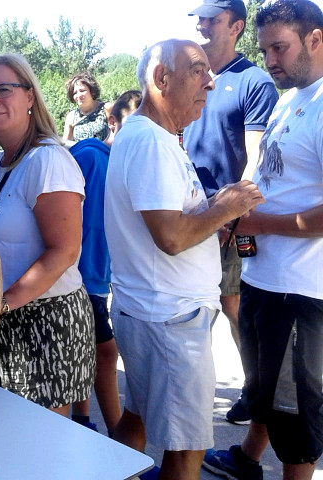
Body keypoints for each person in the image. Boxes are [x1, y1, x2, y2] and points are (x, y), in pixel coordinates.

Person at [104, 39, 264, 480]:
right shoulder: (152, 142)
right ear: (161, 79)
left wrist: (214, 208)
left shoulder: (147, 136)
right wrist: (226, 207)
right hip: (170, 319)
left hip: (154, 312)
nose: (210, 81)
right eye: (197, 70)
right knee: (187, 449)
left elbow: (171, 220)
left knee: (135, 419)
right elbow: (171, 237)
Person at [202, 2, 323, 479]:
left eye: (281, 47)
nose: (271, 60)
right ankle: (248, 458)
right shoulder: (293, 98)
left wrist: (261, 224)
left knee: (295, 405)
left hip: (302, 286)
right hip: (262, 273)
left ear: (315, 39)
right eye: (266, 49)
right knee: (263, 387)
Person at [0, 53, 95, 417]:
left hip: (46, 323)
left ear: (30, 97)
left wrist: (3, 303)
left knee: (40, 456)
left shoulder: (47, 160)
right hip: (1, 319)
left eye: (5, 89)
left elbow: (64, 251)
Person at [184, 0, 279, 426]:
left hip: (227, 220)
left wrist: (228, 216)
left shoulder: (254, 82)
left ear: (237, 26)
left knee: (235, 305)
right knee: (192, 302)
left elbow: (257, 159)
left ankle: (255, 393)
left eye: (212, 19)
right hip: (189, 211)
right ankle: (191, 392)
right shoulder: (194, 75)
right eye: (199, 18)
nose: (202, 25)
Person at [68, 89, 142, 435]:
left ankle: (82, 420)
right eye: (137, 121)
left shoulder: (126, 162)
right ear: (112, 121)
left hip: (101, 275)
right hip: (82, 274)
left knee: (87, 350)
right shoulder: (92, 156)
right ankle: (118, 438)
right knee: (106, 352)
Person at [62, 71, 109, 147]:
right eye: (75, 93)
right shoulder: (71, 117)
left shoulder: (106, 109)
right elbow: (64, 144)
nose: (79, 95)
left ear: (92, 91)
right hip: (80, 157)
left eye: (82, 91)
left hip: (104, 156)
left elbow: (117, 134)